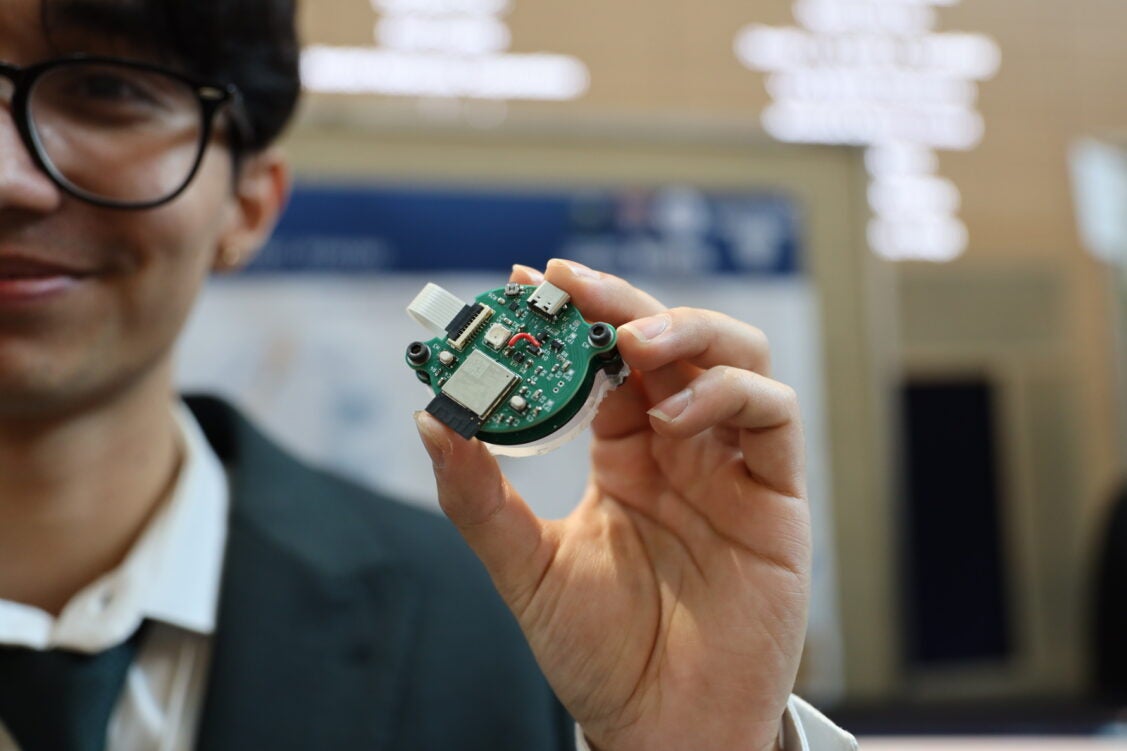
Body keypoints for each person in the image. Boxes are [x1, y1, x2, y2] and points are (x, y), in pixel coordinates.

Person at [0, 0, 856, 749]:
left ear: (248, 204)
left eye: (105, 89)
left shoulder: (506, 639)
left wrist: (698, 745)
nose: (8, 176)